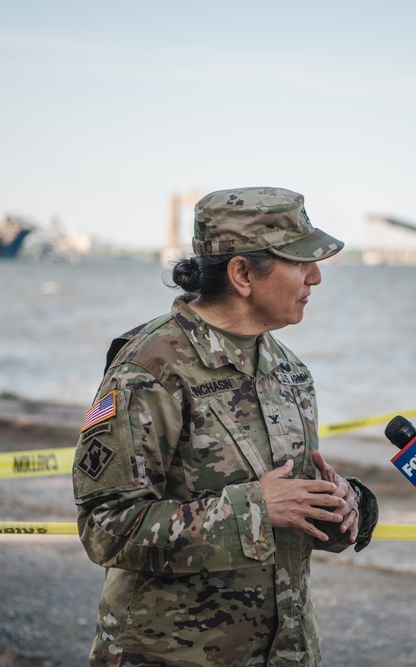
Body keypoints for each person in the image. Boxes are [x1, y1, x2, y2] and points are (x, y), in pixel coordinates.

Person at [72, 186, 379, 667]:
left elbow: (291, 511)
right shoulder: (149, 369)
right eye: (300, 261)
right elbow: (105, 528)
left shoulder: (288, 368)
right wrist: (255, 508)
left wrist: (344, 506)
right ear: (241, 274)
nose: (316, 277)